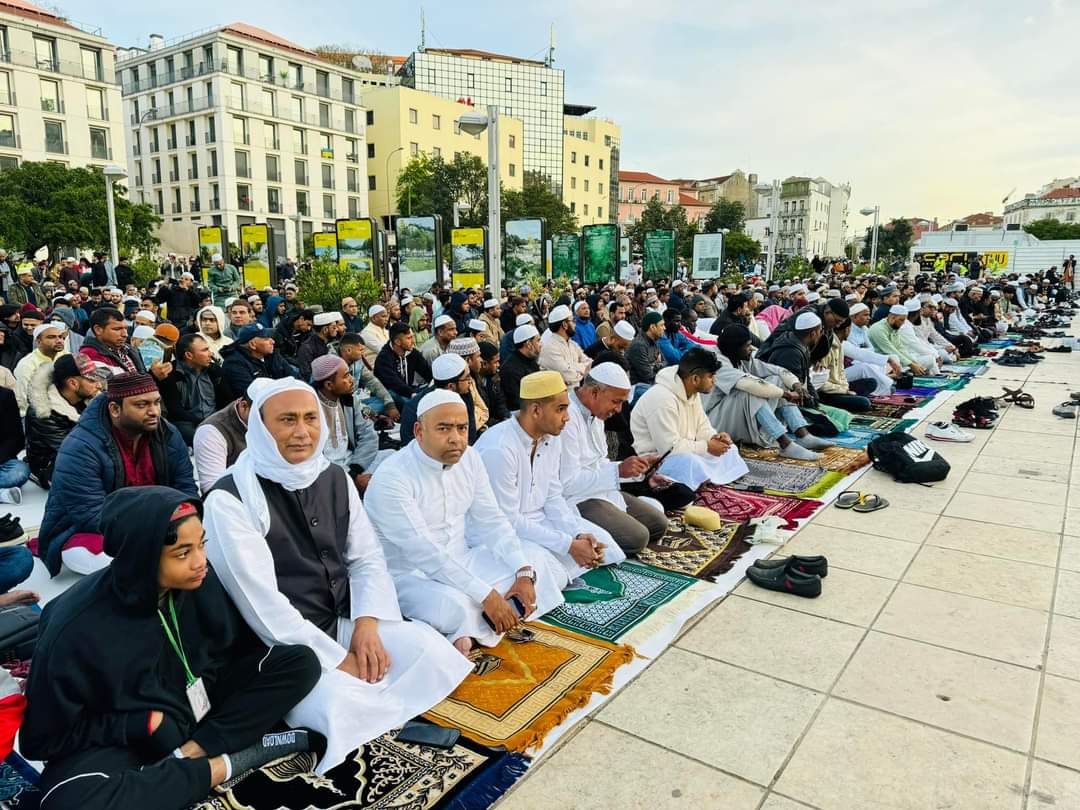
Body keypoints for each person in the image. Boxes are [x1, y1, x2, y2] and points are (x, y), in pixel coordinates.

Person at [202, 379, 470, 772]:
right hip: (283, 649)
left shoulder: (333, 476)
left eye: (310, 418)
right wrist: (338, 659)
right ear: (261, 428)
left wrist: (366, 625)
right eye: (287, 420)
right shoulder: (230, 499)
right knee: (340, 702)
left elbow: (366, 559)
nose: (302, 431)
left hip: (343, 618)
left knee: (429, 651)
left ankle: (384, 707)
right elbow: (261, 606)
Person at [22, 487, 323, 810]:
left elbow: (234, 652)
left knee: (301, 662)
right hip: (133, 739)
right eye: (182, 553)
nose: (200, 562)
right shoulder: (73, 627)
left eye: (202, 545)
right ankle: (225, 764)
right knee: (66, 803)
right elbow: (40, 741)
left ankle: (189, 756)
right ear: (142, 556)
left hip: (201, 712)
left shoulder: (200, 582)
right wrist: (141, 724)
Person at [366, 389, 569, 655]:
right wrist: (486, 596)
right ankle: (474, 626)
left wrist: (522, 572)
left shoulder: (470, 458)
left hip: (462, 558)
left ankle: (469, 633)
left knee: (535, 560)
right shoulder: (392, 477)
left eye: (462, 428)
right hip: (409, 576)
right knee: (458, 605)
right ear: (419, 431)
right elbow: (425, 553)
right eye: (444, 428)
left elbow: (492, 521)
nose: (456, 438)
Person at [37, 372, 197, 577]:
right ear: (114, 409)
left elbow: (185, 486)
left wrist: (182, 519)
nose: (154, 412)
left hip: (159, 521)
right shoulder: (81, 446)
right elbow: (91, 515)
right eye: (141, 405)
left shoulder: (167, 433)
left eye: (157, 402)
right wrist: (156, 528)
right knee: (115, 560)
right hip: (88, 530)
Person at [476, 370, 624, 578]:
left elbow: (553, 496)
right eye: (561, 409)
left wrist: (576, 534)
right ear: (536, 410)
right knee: (551, 573)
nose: (567, 417)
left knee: (602, 546)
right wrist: (567, 545)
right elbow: (508, 520)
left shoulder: (551, 438)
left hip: (539, 521)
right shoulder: (499, 448)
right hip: (501, 533)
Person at [558, 363, 673, 553]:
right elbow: (567, 483)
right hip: (575, 499)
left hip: (600, 489)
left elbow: (600, 461)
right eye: (616, 401)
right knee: (637, 537)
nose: (619, 409)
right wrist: (618, 471)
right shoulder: (566, 418)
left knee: (658, 524)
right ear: (594, 392)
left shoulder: (595, 413)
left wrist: (637, 469)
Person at [705, 324, 834, 460]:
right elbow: (749, 385)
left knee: (777, 379)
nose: (751, 349)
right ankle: (785, 444)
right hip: (715, 421)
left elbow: (776, 370)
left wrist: (796, 385)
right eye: (747, 346)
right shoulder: (717, 362)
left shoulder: (738, 357)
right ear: (734, 348)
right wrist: (786, 394)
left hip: (733, 416)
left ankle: (802, 434)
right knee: (749, 391)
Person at [630, 348, 747, 490]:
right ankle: (703, 478)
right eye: (710, 376)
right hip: (657, 461)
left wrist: (715, 438)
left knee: (729, 449)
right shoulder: (662, 399)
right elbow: (669, 449)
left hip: (687, 449)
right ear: (695, 379)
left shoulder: (692, 392)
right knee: (689, 461)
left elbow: (702, 426)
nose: (714, 381)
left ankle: (705, 478)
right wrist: (707, 446)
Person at [25, 354, 102, 488]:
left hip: (84, 454)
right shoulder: (43, 412)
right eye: (92, 380)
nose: (99, 385)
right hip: (52, 465)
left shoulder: (90, 399)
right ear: (73, 383)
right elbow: (73, 449)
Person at [310, 355, 383, 492]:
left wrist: (354, 471)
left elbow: (369, 435)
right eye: (346, 376)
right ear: (329, 385)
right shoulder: (309, 410)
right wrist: (351, 478)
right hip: (325, 473)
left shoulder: (349, 400)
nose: (352, 380)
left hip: (354, 462)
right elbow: (313, 460)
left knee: (392, 458)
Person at [160, 334, 231, 445]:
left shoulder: (215, 372)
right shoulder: (171, 375)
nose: (211, 354)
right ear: (189, 355)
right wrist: (205, 423)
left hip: (217, 420)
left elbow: (227, 401)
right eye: (205, 350)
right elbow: (175, 411)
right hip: (188, 424)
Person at [398, 352, 477, 446]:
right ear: (451, 386)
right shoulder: (413, 408)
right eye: (467, 378)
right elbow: (410, 444)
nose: (470, 381)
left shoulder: (465, 395)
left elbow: (470, 435)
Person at [81, 307, 170, 381]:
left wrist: (153, 376)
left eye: (126, 329)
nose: (125, 334)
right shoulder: (89, 356)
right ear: (98, 330)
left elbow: (140, 381)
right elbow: (110, 391)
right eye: (117, 329)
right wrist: (153, 377)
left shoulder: (129, 350)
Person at [221, 323, 295, 398]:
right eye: (266, 339)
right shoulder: (234, 364)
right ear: (252, 344)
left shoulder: (272, 354)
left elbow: (294, 378)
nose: (273, 341)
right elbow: (251, 396)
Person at [373, 322, 432, 410]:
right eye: (409, 338)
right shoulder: (384, 358)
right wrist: (412, 394)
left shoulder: (412, 353)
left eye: (412, 337)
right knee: (413, 405)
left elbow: (427, 372)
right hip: (390, 395)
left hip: (408, 391)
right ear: (397, 342)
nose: (413, 341)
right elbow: (394, 383)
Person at [13, 321, 67, 415]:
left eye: (60, 337)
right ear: (38, 341)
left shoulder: (66, 357)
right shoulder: (27, 364)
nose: (59, 340)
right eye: (51, 337)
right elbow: (24, 398)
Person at [867, 304, 936, 376]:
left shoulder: (893, 327)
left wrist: (914, 363)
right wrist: (911, 365)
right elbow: (891, 350)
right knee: (894, 358)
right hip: (879, 361)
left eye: (904, 321)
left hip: (894, 360)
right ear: (892, 317)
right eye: (901, 320)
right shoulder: (878, 329)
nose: (902, 323)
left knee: (929, 360)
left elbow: (900, 347)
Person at [539, 304, 591, 387]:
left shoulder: (572, 344)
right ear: (564, 325)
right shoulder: (550, 348)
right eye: (573, 320)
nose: (575, 324)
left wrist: (573, 366)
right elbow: (569, 377)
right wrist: (581, 368)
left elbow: (590, 363)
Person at [501, 323, 542, 411]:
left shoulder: (530, 359)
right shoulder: (510, 370)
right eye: (538, 341)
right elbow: (517, 403)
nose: (541, 344)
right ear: (529, 344)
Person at [0, 384, 27, 504]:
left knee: (19, 472)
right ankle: (2, 495)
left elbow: (16, 438)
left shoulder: (5, 395)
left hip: (2, 461)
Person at [295, 311, 341, 381]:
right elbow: (307, 376)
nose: (337, 329)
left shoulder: (333, 342)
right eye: (334, 327)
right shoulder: (307, 348)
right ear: (325, 330)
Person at [625, 311, 665, 386]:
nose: (664, 328)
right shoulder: (639, 346)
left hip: (651, 382)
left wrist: (655, 365)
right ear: (652, 327)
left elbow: (664, 363)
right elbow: (648, 376)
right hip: (639, 386)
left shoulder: (654, 339)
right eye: (662, 325)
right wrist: (657, 364)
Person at [475, 341, 509, 427]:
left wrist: (506, 417)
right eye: (495, 362)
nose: (498, 365)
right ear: (484, 364)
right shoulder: (473, 383)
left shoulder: (494, 378)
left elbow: (500, 402)